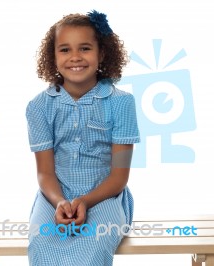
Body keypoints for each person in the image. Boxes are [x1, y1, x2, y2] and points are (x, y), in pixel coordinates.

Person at [25, 10, 140, 265]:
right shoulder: (39, 107)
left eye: (85, 48)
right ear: (52, 57)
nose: (75, 57)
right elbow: (45, 173)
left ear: (101, 53)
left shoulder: (121, 103)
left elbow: (119, 176)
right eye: (64, 50)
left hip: (105, 196)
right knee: (40, 245)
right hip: (53, 196)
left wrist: (85, 201)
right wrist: (60, 203)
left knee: (94, 245)